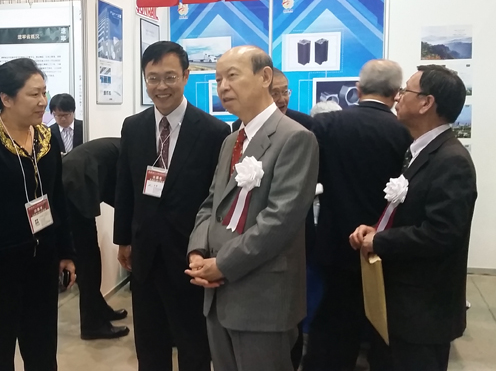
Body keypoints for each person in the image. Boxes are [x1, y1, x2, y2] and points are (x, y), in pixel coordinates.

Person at [187, 46, 319, 371]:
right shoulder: (230, 141)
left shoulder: (295, 138)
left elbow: (280, 221)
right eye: (218, 79)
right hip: (217, 292)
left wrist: (223, 264)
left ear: (265, 77)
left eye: (232, 76)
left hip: (262, 297)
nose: (223, 87)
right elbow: (211, 203)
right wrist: (198, 251)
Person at [0, 58, 76, 371]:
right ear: (6, 98)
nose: (43, 101)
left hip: (42, 265)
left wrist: (65, 252)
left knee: (42, 353)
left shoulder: (46, 139)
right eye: (34, 94)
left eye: (44, 92)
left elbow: (57, 200)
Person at [350, 65, 476, 371]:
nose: (397, 97)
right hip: (403, 306)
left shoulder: (451, 160)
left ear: (426, 103)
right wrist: (376, 228)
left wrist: (381, 240)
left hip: (423, 312)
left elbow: (442, 234)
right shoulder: (420, 151)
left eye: (406, 91)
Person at [114, 41, 230, 371]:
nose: (161, 87)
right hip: (146, 254)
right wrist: (124, 239)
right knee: (150, 344)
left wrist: (210, 249)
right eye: (152, 78)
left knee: (194, 344)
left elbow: (217, 199)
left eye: (169, 77)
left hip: (190, 254)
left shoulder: (213, 131)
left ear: (186, 76)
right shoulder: (133, 127)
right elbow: (125, 187)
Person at [302, 60, 412, 371]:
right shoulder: (404, 133)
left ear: (358, 89)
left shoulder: (326, 125)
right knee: (382, 323)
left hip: (336, 240)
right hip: (385, 243)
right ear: (396, 93)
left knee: (333, 323)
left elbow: (312, 178)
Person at [231, 66, 315, 370]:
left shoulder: (303, 127)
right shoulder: (236, 132)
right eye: (274, 92)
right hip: (247, 235)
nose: (281, 98)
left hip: (291, 230)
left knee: (289, 310)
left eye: (285, 91)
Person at [61, 137, 130, 340]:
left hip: (75, 180)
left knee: (89, 255)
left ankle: (98, 309)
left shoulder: (122, 147)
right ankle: (92, 324)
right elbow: (123, 196)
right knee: (88, 259)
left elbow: (116, 193)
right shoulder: (132, 152)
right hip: (75, 184)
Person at [231, 67, 313, 131]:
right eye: (275, 94)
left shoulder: (304, 123)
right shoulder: (242, 126)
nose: (282, 100)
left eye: (285, 92)